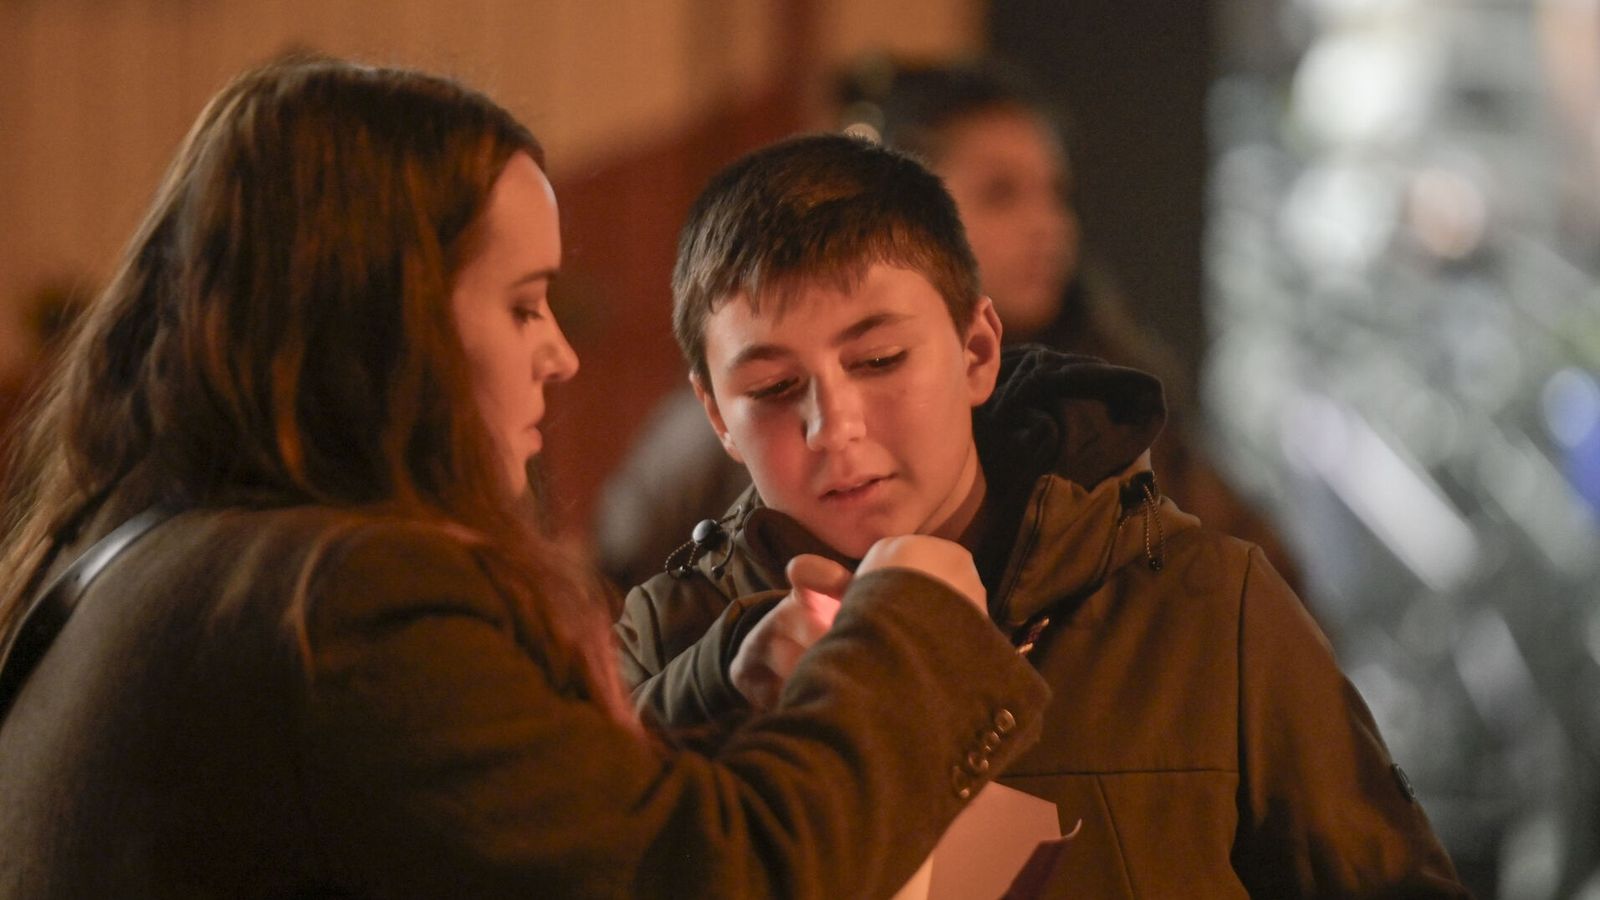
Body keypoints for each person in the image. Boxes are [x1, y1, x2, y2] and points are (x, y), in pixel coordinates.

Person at [0, 57, 1051, 898]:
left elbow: (501, 838)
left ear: (976, 349)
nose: (561, 352)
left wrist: (723, 693)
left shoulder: (153, 552)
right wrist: (910, 623)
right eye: (521, 304)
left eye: (875, 359)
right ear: (388, 322)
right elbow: (706, 879)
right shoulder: (351, 596)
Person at [614, 133, 1468, 896]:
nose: (833, 426)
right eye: (772, 389)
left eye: (877, 359)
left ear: (977, 351)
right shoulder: (672, 640)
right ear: (717, 414)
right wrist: (709, 693)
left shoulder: (1201, 607)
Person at [594, 58, 1304, 597]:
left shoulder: (1116, 402)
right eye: (1002, 193)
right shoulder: (733, 430)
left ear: (980, 351)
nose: (1049, 226)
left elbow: (1264, 589)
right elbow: (621, 582)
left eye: (1054, 193)